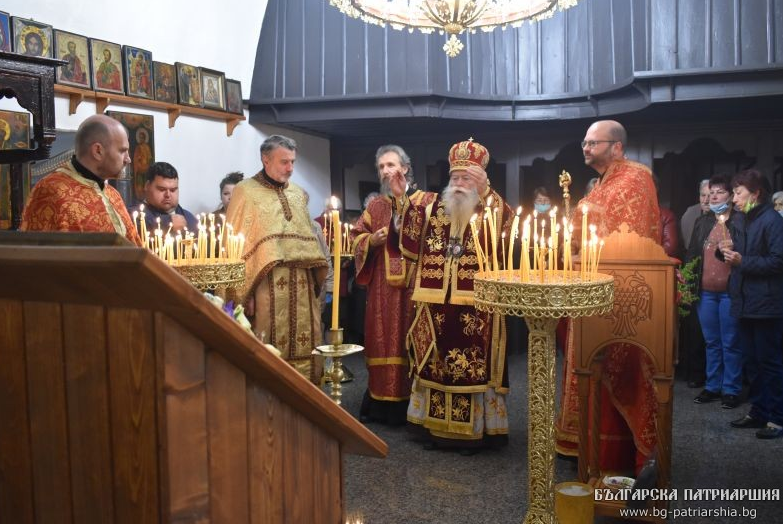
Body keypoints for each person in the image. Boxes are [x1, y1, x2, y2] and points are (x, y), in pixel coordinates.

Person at [556, 120, 662, 474]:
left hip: (619, 297)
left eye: (593, 142)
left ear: (616, 146)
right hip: (589, 290)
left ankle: (617, 458)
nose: (586, 148)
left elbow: (629, 238)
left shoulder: (635, 179)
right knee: (588, 369)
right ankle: (586, 449)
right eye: (584, 143)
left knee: (619, 374)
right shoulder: (602, 184)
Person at [393, 138, 512, 453]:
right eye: (455, 177)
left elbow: (507, 229)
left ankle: (472, 432)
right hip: (434, 301)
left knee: (470, 367)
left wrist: (486, 193)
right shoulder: (433, 206)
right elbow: (410, 242)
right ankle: (433, 429)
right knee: (435, 362)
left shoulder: (490, 207)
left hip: (476, 304)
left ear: (481, 180)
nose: (459, 183)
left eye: (467, 178)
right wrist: (401, 198)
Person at [225, 135, 328, 383]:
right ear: (266, 159)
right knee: (268, 350)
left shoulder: (298, 194)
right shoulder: (245, 192)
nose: (290, 168)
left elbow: (310, 242)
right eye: (284, 162)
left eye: (293, 162)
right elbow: (235, 246)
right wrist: (244, 294)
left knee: (307, 345)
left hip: (302, 287)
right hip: (265, 285)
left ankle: (308, 395)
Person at [351, 145, 436, 425]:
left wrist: (403, 203)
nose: (386, 171)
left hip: (415, 283)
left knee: (410, 339)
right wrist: (370, 241)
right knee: (382, 340)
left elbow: (433, 238)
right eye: (381, 167)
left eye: (391, 165)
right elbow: (355, 237)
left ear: (405, 168)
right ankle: (381, 404)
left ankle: (415, 407)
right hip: (382, 287)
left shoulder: (427, 201)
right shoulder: (375, 206)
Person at [721, 170, 783, 439]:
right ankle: (758, 412)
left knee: (770, 363)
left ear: (755, 194)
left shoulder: (773, 221)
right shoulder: (741, 219)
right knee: (752, 362)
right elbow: (737, 253)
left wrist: (742, 261)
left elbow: (778, 261)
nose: (733, 198)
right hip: (744, 301)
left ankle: (777, 418)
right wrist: (723, 251)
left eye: (738, 192)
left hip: (767, 303)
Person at [21, 114, 141, 246]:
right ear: (98, 151)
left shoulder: (113, 195)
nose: (128, 159)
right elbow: (38, 253)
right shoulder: (51, 191)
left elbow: (135, 249)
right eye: (122, 151)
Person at [686, 175, 743, 409]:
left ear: (730, 196)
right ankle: (712, 386)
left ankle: (731, 389)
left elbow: (746, 253)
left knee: (730, 342)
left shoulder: (740, 221)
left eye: (719, 192)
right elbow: (692, 254)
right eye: (711, 193)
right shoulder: (702, 221)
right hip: (706, 292)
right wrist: (688, 282)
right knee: (711, 342)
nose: (714, 197)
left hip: (730, 291)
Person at [129, 162, 198, 235]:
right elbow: (134, 229)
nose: (168, 195)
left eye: (173, 190)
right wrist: (167, 223)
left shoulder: (189, 218)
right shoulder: (133, 214)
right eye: (162, 189)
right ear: (147, 186)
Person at [681, 179, 710, 250]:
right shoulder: (690, 213)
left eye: (710, 196)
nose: (706, 200)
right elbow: (687, 245)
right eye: (703, 195)